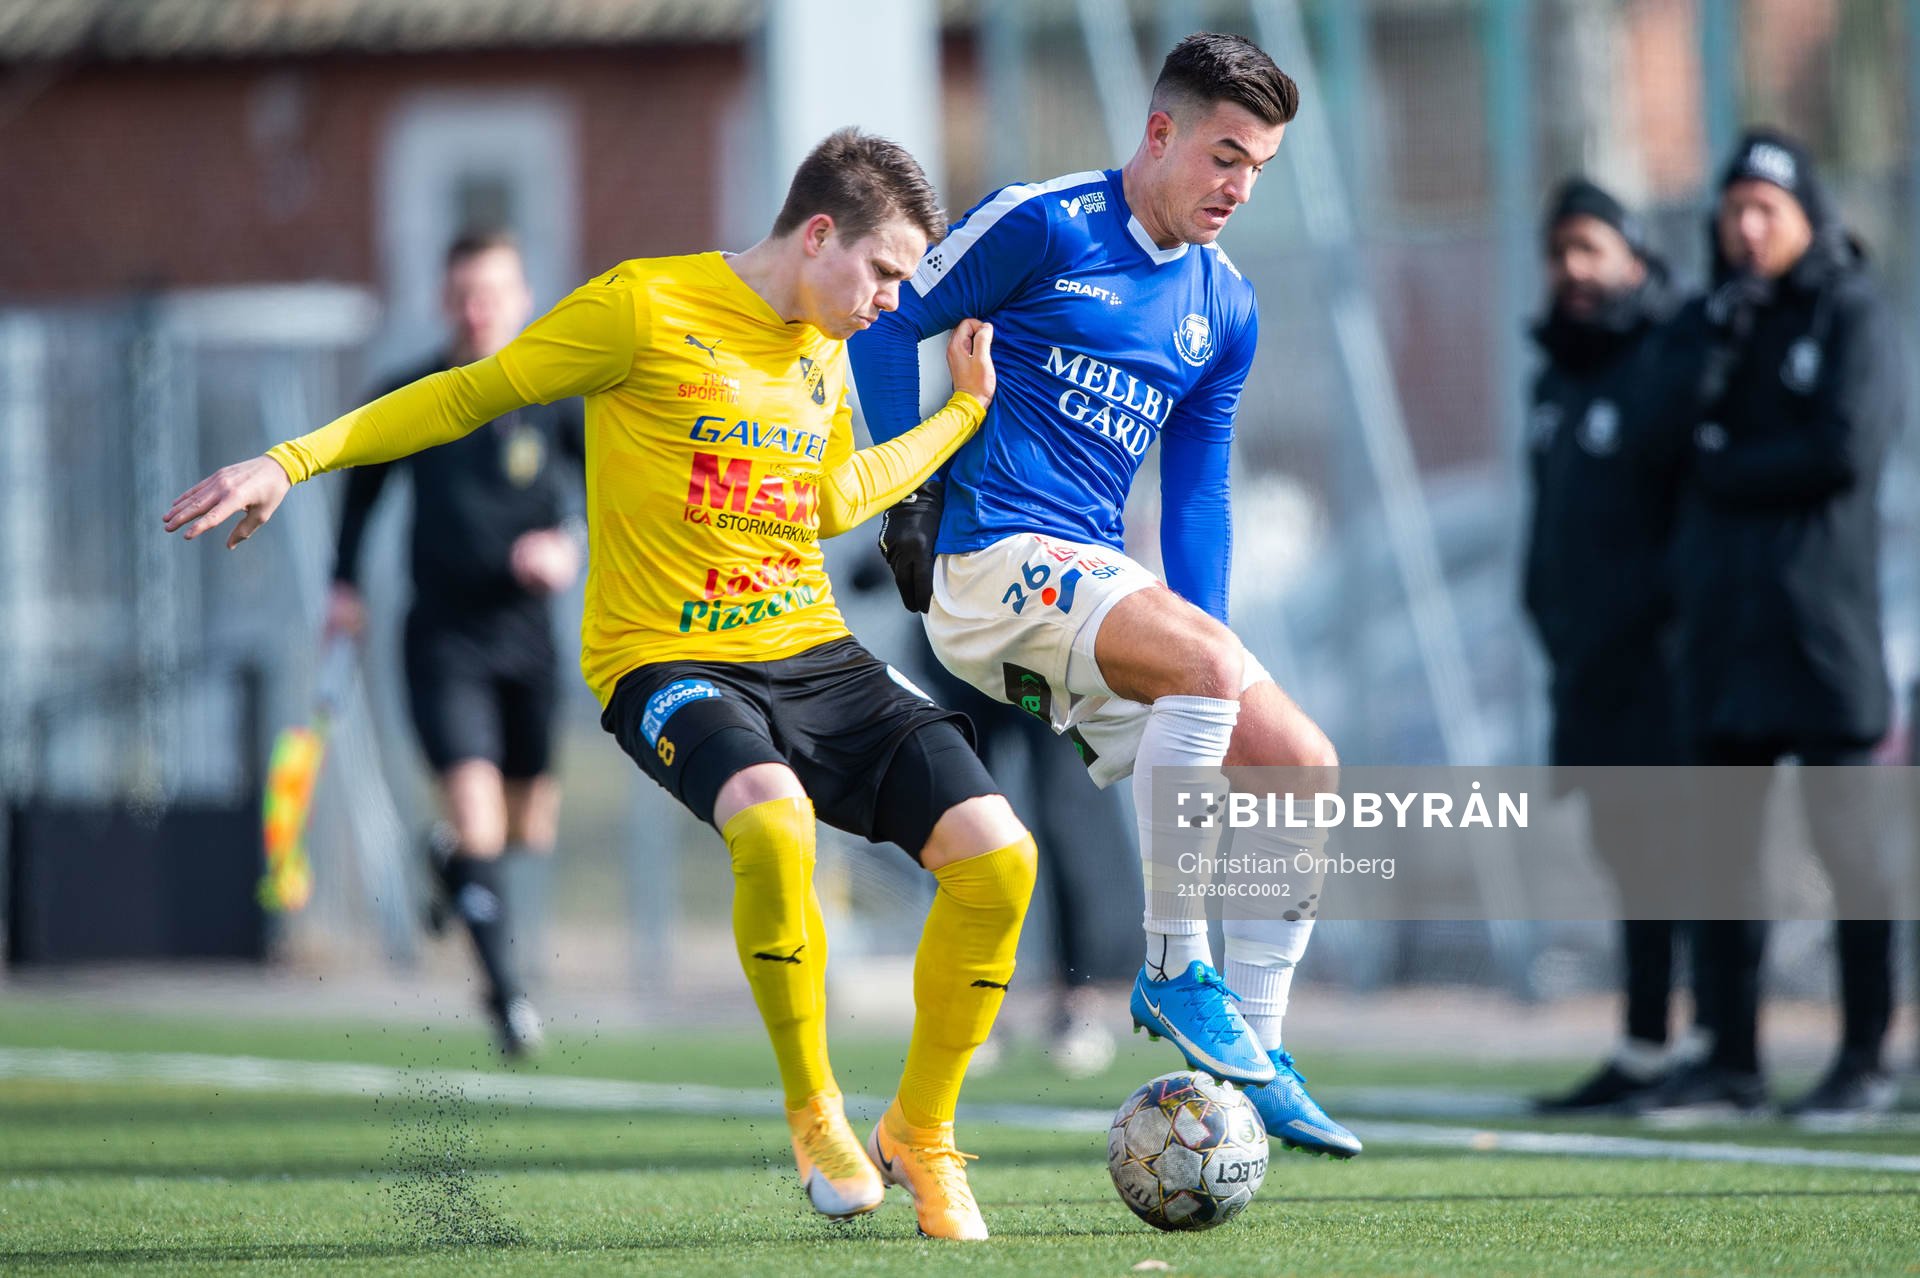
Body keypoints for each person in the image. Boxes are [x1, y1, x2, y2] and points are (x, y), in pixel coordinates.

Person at [165, 128, 1037, 1241]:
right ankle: (815, 1108)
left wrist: (961, 415)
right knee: (772, 822)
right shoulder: (641, 306)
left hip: (811, 648)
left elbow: (825, 503)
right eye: (884, 271)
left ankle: (922, 1132)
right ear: (820, 235)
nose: (892, 302)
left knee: (999, 859)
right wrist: (288, 461)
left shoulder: (823, 347)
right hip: (663, 659)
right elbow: (464, 395)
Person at [849, 32, 1358, 1158]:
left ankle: (1260, 1052)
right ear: (1160, 132)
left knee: (1300, 764)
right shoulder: (1043, 222)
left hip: (1086, 581)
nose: (1239, 188)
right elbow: (885, 326)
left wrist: (1208, 640)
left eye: (1259, 168)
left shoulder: (1226, 305)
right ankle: (1174, 966)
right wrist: (904, 489)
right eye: (1225, 156)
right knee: (1207, 675)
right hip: (989, 558)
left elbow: (1199, 492)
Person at [1661, 129, 1905, 1118]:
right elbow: (1670, 439)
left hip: (1822, 636)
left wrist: (1726, 464)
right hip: (1728, 637)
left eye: (1767, 210)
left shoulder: (1851, 311)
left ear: (1808, 215)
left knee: (1852, 851)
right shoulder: (1719, 319)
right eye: (1734, 212)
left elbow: (1843, 449)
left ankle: (1866, 1057)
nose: (1748, 229)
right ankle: (1731, 1060)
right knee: (1722, 855)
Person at [327, 229, 585, 1059]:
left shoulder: (554, 397)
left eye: (493, 293)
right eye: (464, 295)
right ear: (445, 302)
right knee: (478, 820)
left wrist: (568, 546)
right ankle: (507, 999)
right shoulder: (414, 395)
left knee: (525, 831)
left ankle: (449, 864)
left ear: (522, 300)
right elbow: (361, 489)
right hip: (444, 641)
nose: (478, 310)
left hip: (529, 640)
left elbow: (605, 493)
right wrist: (343, 586)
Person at [1519, 178, 1702, 1113]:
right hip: (1586, 669)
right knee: (1627, 857)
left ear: (1633, 253)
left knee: (1687, 854)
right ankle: (1642, 1048)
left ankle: (1716, 1044)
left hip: (1664, 668)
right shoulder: (1558, 373)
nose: (1573, 269)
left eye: (1590, 248)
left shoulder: (1669, 360)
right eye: (1560, 253)